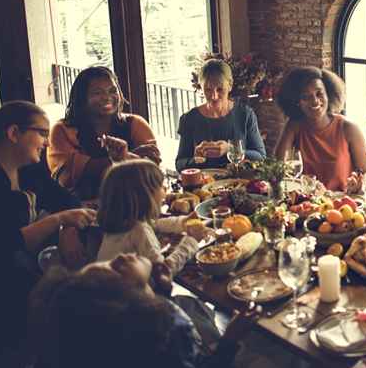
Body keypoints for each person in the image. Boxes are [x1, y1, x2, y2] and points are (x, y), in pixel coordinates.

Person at [0, 101, 96, 368]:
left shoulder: (29, 170)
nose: (47, 141)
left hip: (20, 272)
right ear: (14, 133)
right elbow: (1, 245)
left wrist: (68, 228)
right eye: (41, 133)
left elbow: (66, 199)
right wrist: (60, 219)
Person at [26, 254, 251, 368]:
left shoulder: (142, 322)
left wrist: (163, 292)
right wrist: (229, 341)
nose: (122, 256)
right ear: (127, 302)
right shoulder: (164, 340)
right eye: (116, 268)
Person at [48, 66, 161, 200]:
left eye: (112, 91)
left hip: (135, 203)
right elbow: (68, 178)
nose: (107, 97)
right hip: (81, 210)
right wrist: (130, 157)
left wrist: (121, 159)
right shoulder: (62, 130)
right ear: (82, 97)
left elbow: (153, 172)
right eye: (97, 93)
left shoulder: (136, 123)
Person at [96, 160, 210, 275]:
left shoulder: (121, 223)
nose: (165, 188)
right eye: (160, 186)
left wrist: (182, 223)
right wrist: (191, 241)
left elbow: (155, 224)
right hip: (129, 292)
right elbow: (163, 273)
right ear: (145, 196)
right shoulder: (139, 231)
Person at [275, 66, 366, 191]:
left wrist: (357, 183)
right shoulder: (295, 126)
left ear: (329, 94)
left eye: (319, 93)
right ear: (296, 102)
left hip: (341, 204)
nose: (314, 101)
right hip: (305, 203)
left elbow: (365, 173)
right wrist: (290, 125)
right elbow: (278, 167)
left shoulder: (348, 128)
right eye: (305, 97)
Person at [176, 59, 266, 171]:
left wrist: (231, 149)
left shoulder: (245, 114)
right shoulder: (189, 119)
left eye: (220, 89)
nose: (214, 96)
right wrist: (196, 159)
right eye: (208, 89)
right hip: (203, 186)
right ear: (200, 87)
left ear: (230, 85)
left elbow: (261, 157)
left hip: (239, 182)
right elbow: (180, 164)